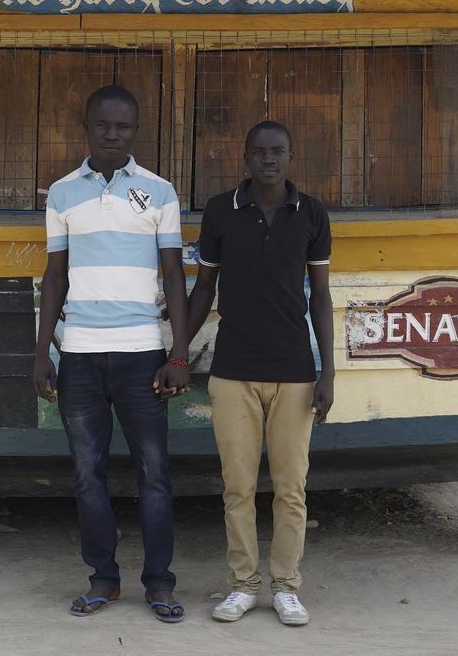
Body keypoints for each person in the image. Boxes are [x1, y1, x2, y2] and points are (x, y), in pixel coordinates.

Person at [32, 84, 191, 623]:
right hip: (79, 355)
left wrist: (179, 353)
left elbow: (174, 273)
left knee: (154, 474)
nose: (112, 133)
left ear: (135, 130)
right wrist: (41, 351)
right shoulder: (61, 193)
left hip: (143, 353)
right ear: (87, 126)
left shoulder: (159, 192)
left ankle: (159, 584)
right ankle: (102, 579)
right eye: (103, 124)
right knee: (87, 475)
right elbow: (55, 277)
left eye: (123, 126)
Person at [186, 120, 334, 626]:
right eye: (258, 152)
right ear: (245, 158)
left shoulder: (311, 213)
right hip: (232, 370)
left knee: (292, 488)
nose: (268, 159)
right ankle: (243, 585)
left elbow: (321, 296)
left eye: (277, 152)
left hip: (294, 370)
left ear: (291, 157)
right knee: (238, 487)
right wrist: (179, 352)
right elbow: (204, 288)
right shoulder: (220, 211)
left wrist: (327, 371)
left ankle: (286, 587)